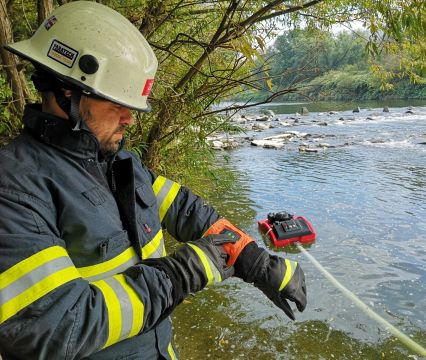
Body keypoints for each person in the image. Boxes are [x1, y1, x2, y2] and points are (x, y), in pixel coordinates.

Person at [0, 2, 307, 359]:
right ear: (68, 91)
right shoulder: (15, 190)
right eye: (117, 104)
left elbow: (185, 209)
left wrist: (252, 259)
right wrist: (180, 274)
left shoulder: (116, 160)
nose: (130, 119)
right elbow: (52, 328)